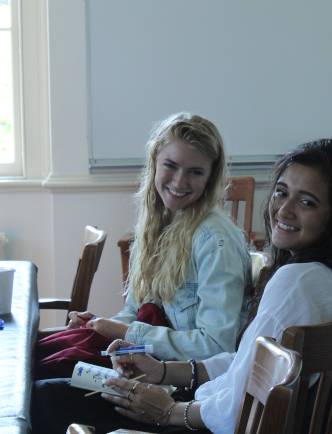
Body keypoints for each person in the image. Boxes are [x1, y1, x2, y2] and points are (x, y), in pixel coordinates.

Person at [85, 139, 332, 434]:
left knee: (58, 396)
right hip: (226, 411)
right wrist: (165, 371)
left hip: (219, 423)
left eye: (307, 202)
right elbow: (252, 364)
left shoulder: (300, 282)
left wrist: (169, 411)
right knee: (77, 387)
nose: (283, 209)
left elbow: (239, 411)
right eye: (281, 192)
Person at [32, 113, 252, 413]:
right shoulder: (157, 223)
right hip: (148, 367)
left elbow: (217, 346)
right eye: (170, 166)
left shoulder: (215, 241)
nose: (178, 182)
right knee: (42, 365)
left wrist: (127, 333)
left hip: (182, 391)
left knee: (44, 394)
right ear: (154, 164)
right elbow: (136, 312)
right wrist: (102, 326)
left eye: (195, 172)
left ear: (211, 177)